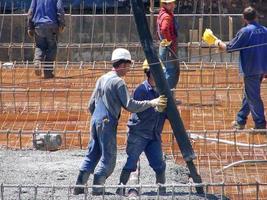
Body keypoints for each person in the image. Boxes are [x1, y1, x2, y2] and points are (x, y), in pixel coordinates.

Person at [73, 48, 168, 195]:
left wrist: (97, 118)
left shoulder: (102, 78)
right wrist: (152, 102)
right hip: (107, 121)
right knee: (108, 158)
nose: (129, 69)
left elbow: (91, 104)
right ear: (123, 64)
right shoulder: (118, 82)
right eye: (128, 65)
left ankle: (79, 187)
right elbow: (130, 105)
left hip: (96, 120)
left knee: (93, 153)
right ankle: (97, 189)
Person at [204, 6, 267, 131]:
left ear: (244, 18)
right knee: (249, 94)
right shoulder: (265, 30)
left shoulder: (245, 32)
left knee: (253, 96)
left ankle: (260, 124)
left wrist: (215, 41)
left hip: (250, 69)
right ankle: (241, 119)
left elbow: (229, 48)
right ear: (256, 17)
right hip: (262, 68)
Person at [116, 60, 167, 196]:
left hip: (154, 135)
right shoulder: (141, 90)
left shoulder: (163, 90)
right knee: (131, 163)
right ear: (150, 73)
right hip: (138, 134)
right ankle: (120, 190)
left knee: (159, 165)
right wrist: (156, 107)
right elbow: (141, 113)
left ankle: (162, 192)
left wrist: (170, 108)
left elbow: (168, 112)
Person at [27, 0, 65, 79]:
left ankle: (37, 61)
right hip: (52, 25)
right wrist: (61, 24)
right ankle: (48, 73)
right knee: (51, 48)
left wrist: (30, 27)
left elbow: (31, 11)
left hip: (38, 26)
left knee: (40, 46)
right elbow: (60, 10)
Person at [157, 0, 180, 90]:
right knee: (172, 72)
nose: (174, 5)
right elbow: (164, 29)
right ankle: (166, 95)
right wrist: (169, 40)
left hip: (164, 46)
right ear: (166, 4)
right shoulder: (167, 16)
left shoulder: (162, 14)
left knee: (169, 70)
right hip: (167, 48)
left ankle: (166, 94)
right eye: (172, 3)